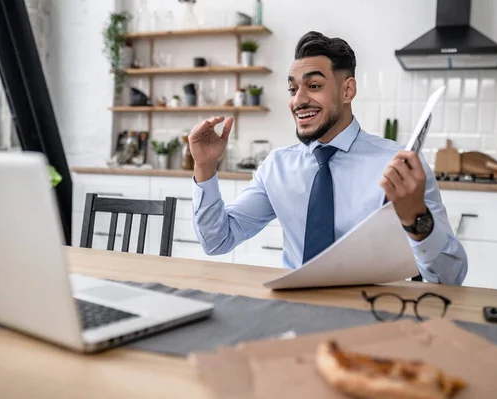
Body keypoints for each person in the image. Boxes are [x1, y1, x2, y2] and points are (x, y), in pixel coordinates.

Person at [189, 31, 467, 285]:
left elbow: (449, 278)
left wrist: (416, 218)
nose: (298, 100)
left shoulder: (400, 165)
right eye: (292, 89)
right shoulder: (276, 167)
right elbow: (217, 240)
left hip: (373, 316)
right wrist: (205, 167)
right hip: (294, 309)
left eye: (313, 86)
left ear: (348, 90)